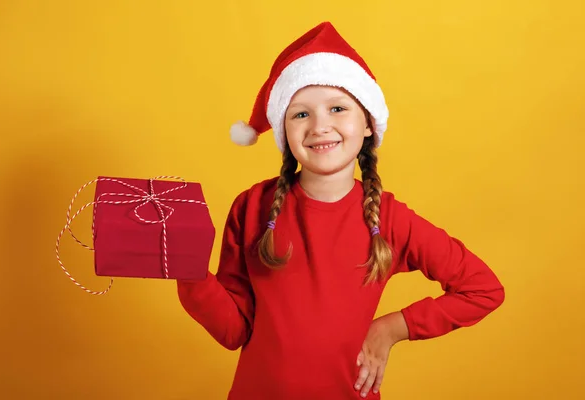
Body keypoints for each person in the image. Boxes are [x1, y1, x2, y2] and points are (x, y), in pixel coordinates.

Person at [176, 21, 505, 399]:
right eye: (301, 114)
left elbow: (483, 289)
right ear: (283, 129)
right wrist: (190, 273)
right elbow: (233, 332)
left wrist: (393, 327)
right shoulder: (252, 207)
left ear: (367, 123)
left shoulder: (390, 219)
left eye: (337, 108)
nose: (320, 126)